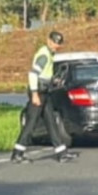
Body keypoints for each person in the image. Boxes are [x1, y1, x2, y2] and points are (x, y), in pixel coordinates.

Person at [11, 31, 79, 164]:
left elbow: (44, 75)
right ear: (48, 41)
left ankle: (61, 153)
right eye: (54, 43)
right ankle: (17, 154)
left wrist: (52, 82)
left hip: (45, 92)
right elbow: (33, 74)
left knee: (51, 122)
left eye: (58, 44)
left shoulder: (50, 54)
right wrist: (35, 94)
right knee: (31, 123)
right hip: (39, 93)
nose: (56, 46)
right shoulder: (44, 55)